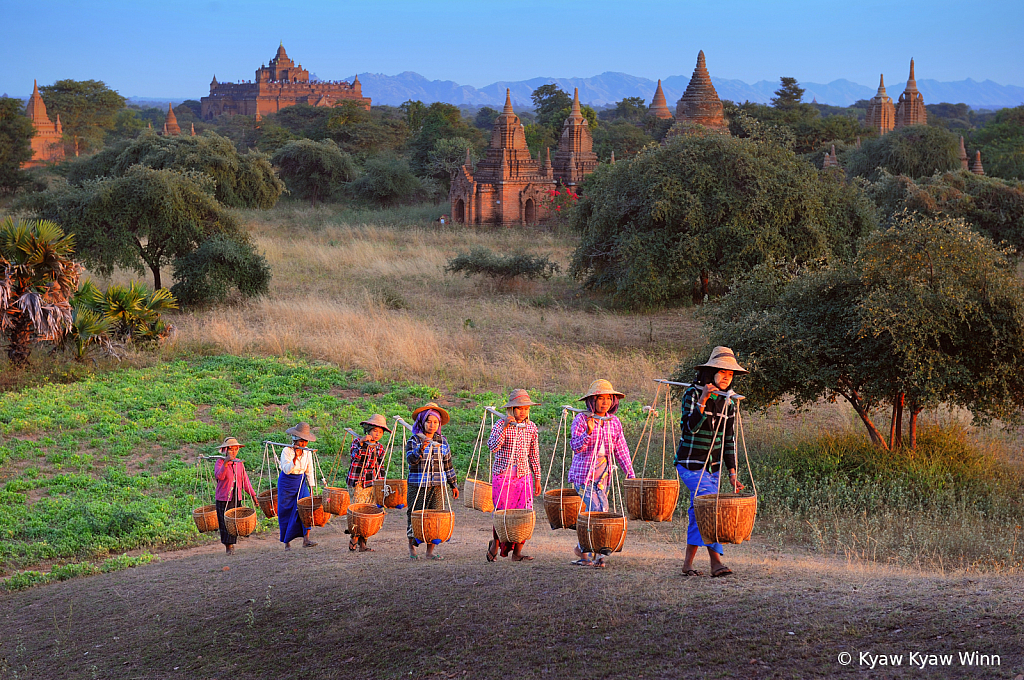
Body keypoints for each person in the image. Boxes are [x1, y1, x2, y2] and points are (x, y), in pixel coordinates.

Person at [675, 346, 747, 578]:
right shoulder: (692, 394)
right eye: (722, 372)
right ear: (710, 373)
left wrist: (732, 472)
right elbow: (689, 429)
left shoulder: (729, 402)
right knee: (710, 509)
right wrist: (703, 401)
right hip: (690, 463)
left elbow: (729, 439)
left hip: (713, 468)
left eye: (730, 373)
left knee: (699, 513)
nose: (727, 377)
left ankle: (687, 565)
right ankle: (716, 562)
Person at [569, 380, 636, 568]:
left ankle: (595, 554)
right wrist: (588, 432)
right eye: (600, 398)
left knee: (601, 511)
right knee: (595, 511)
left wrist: (629, 473)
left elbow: (620, 449)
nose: (604, 402)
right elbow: (576, 446)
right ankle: (587, 552)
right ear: (592, 401)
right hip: (584, 475)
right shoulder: (582, 420)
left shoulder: (613, 422)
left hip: (602, 476)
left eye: (608, 398)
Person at [486, 389, 542, 563]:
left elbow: (534, 453)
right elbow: (492, 446)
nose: (522, 412)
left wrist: (537, 477)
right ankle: (495, 544)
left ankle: (517, 552)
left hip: (523, 476)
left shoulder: (531, 427)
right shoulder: (500, 425)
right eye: (518, 408)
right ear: (511, 409)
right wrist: (504, 426)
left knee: (523, 514)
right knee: (502, 513)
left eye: (525, 408)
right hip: (503, 475)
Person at [405, 402, 459, 559]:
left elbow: (448, 465)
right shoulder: (414, 440)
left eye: (435, 422)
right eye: (429, 421)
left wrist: (453, 484)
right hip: (418, 485)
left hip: (438, 485)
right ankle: (412, 550)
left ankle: (430, 552)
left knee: (435, 517)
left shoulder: (442, 441)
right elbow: (411, 460)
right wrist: (420, 449)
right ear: (422, 422)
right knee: (415, 515)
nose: (432, 425)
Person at [346, 414, 390, 552]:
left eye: (380, 432)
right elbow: (355, 457)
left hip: (372, 483)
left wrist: (381, 485)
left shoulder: (380, 448)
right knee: (358, 512)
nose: (377, 434)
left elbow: (380, 466)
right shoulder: (357, 443)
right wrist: (362, 443)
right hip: (358, 482)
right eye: (375, 431)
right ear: (368, 431)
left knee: (369, 513)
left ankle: (363, 543)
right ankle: (354, 538)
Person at [213, 437, 258, 554]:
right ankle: (228, 546)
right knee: (225, 523)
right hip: (223, 497)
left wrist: (253, 495)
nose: (233, 452)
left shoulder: (238, 464)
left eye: (235, 449)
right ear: (225, 450)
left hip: (235, 496)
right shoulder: (220, 462)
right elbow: (219, 476)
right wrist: (226, 462)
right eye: (231, 449)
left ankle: (233, 544)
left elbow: (245, 481)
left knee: (234, 522)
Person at [278, 422, 318, 551]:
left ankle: (306, 539)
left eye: (305, 441)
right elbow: (286, 469)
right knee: (286, 510)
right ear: (295, 439)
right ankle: (287, 542)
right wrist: (295, 458)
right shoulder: (287, 451)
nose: (303, 444)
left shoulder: (307, 453)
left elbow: (309, 470)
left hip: (300, 482)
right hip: (287, 483)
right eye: (301, 441)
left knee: (305, 509)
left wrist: (311, 487)